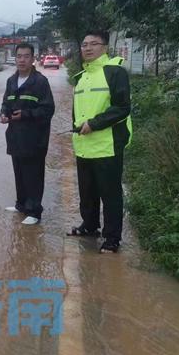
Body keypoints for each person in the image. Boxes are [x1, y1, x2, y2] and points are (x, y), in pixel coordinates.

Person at [68, 30, 132, 253]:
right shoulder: (81, 77)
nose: (87, 48)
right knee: (87, 191)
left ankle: (112, 238)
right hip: (84, 146)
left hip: (106, 145)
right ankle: (90, 226)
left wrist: (94, 124)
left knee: (110, 193)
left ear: (104, 47)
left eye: (93, 44)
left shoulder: (115, 72)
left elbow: (123, 108)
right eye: (84, 44)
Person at [0, 43, 55, 225]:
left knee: (33, 175)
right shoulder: (11, 81)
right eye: (19, 56)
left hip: (35, 139)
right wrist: (3, 113)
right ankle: (21, 204)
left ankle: (34, 211)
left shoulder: (39, 82)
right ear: (15, 58)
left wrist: (25, 114)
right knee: (19, 173)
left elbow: (47, 110)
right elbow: (6, 103)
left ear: (33, 59)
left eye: (26, 56)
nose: (22, 60)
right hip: (15, 137)